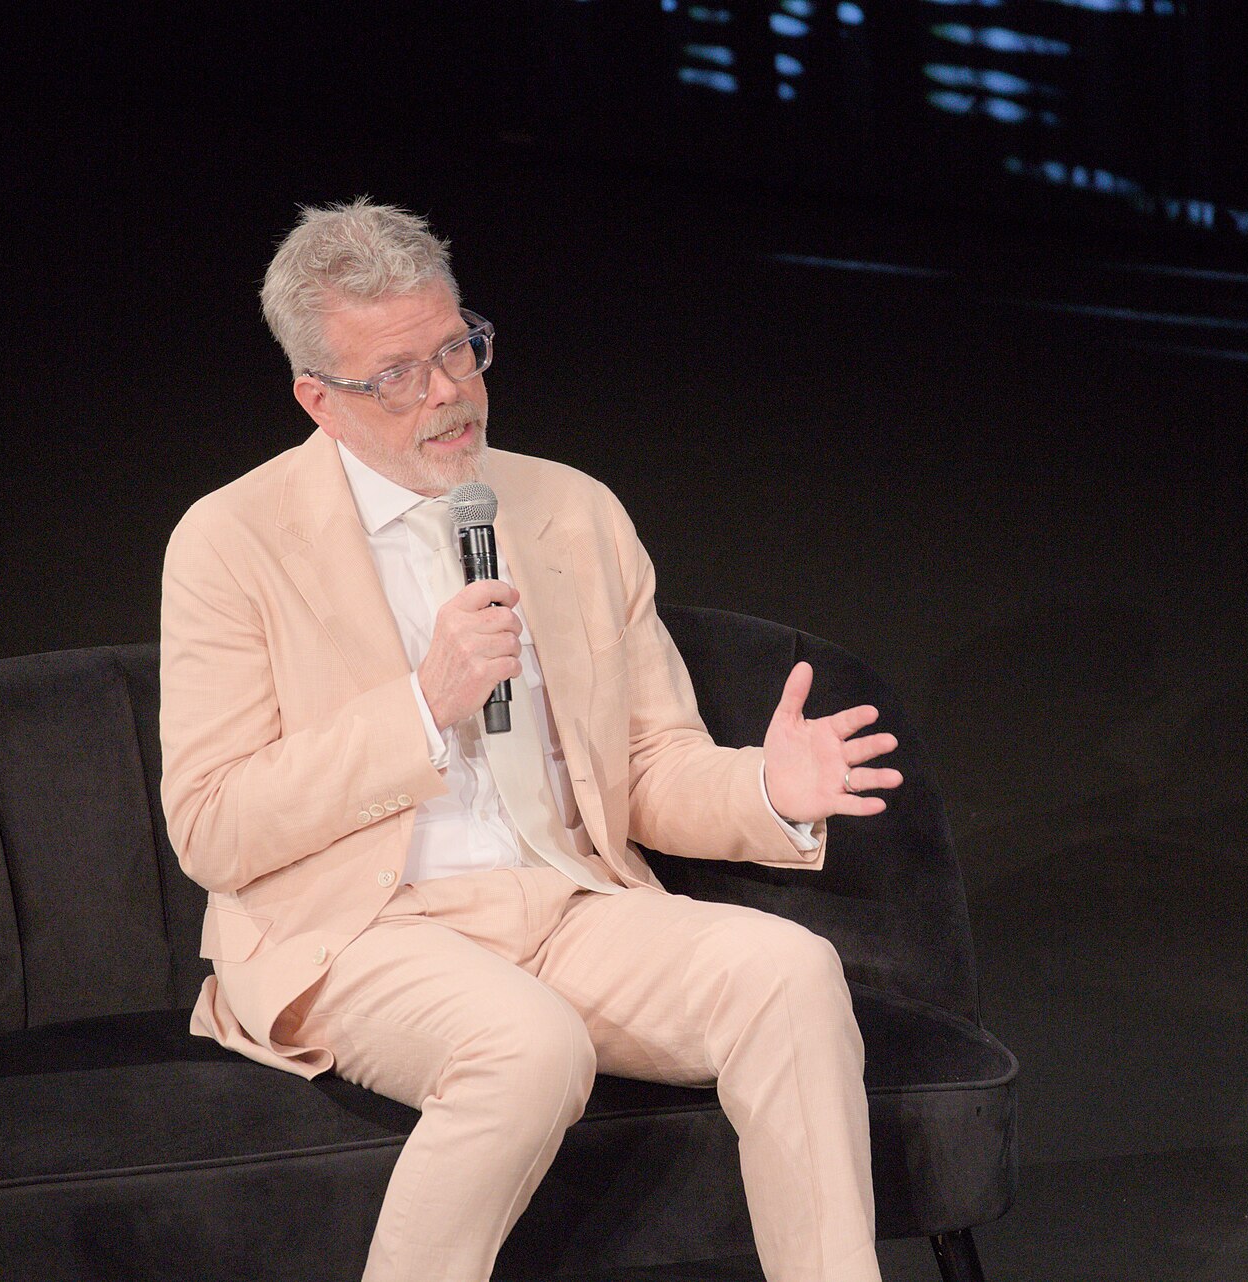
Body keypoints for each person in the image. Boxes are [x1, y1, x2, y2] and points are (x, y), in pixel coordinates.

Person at [159, 198, 902, 1282]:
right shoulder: (230, 541)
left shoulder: (572, 510)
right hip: (359, 928)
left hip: (564, 901)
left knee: (787, 970)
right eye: (399, 373)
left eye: (458, 346)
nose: (451, 392)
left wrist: (767, 790)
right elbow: (213, 827)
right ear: (319, 399)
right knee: (527, 1046)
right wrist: (422, 707)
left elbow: (647, 768)